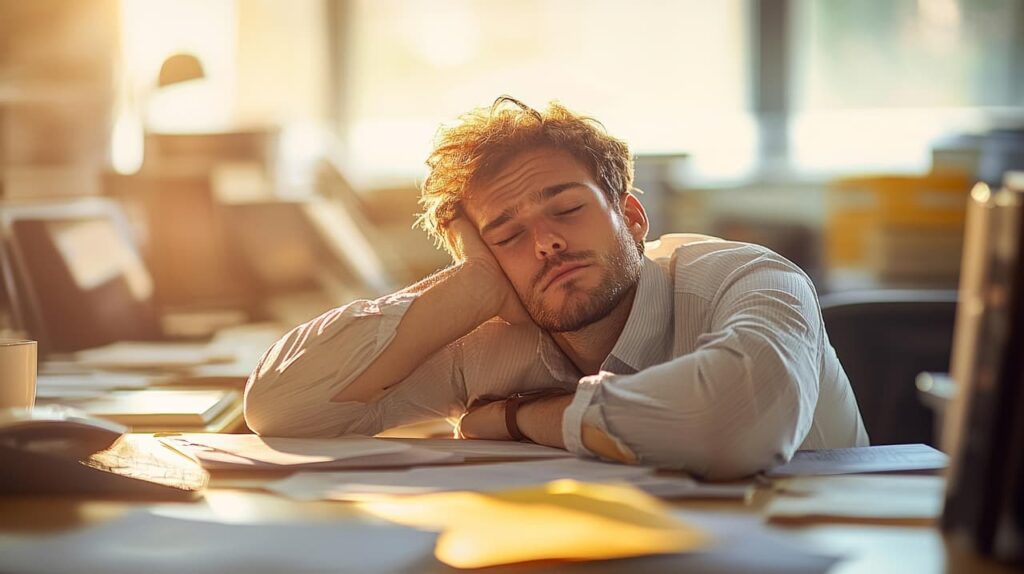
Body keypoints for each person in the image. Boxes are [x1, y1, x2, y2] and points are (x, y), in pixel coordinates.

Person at [244, 96, 868, 479]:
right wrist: (473, 286)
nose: (544, 244)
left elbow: (731, 426)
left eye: (566, 210)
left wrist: (519, 419)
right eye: (507, 236)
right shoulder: (491, 340)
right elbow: (282, 407)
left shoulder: (750, 279)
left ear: (630, 217)